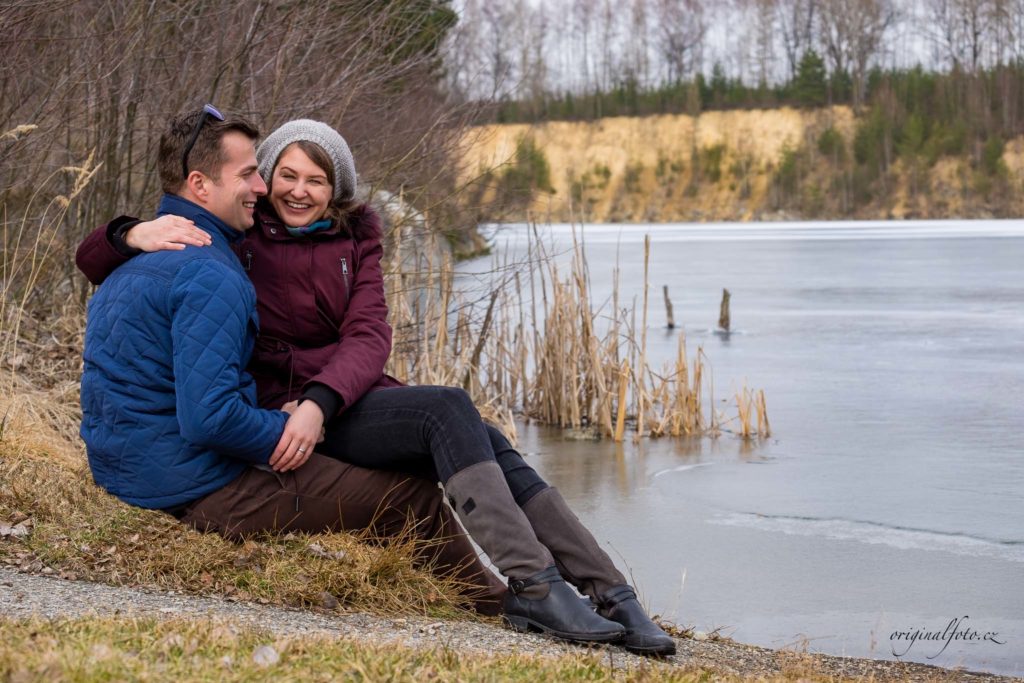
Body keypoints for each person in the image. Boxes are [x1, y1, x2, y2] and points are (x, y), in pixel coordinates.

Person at [77, 114, 676, 655]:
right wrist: (130, 232)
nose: (282, 189)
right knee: (429, 456)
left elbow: (368, 336)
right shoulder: (228, 243)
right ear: (211, 185)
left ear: (337, 188)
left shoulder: (345, 239)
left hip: (326, 402)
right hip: (250, 424)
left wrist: (316, 404)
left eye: (315, 180)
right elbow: (107, 267)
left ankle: (607, 592)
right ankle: (524, 591)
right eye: (271, 174)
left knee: (469, 427)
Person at [79, 107, 509, 618]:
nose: (261, 187)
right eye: (248, 174)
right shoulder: (211, 273)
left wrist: (126, 233)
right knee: (409, 498)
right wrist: (290, 429)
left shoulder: (139, 254)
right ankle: (496, 608)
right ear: (199, 184)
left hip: (124, 467)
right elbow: (209, 417)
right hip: (189, 487)